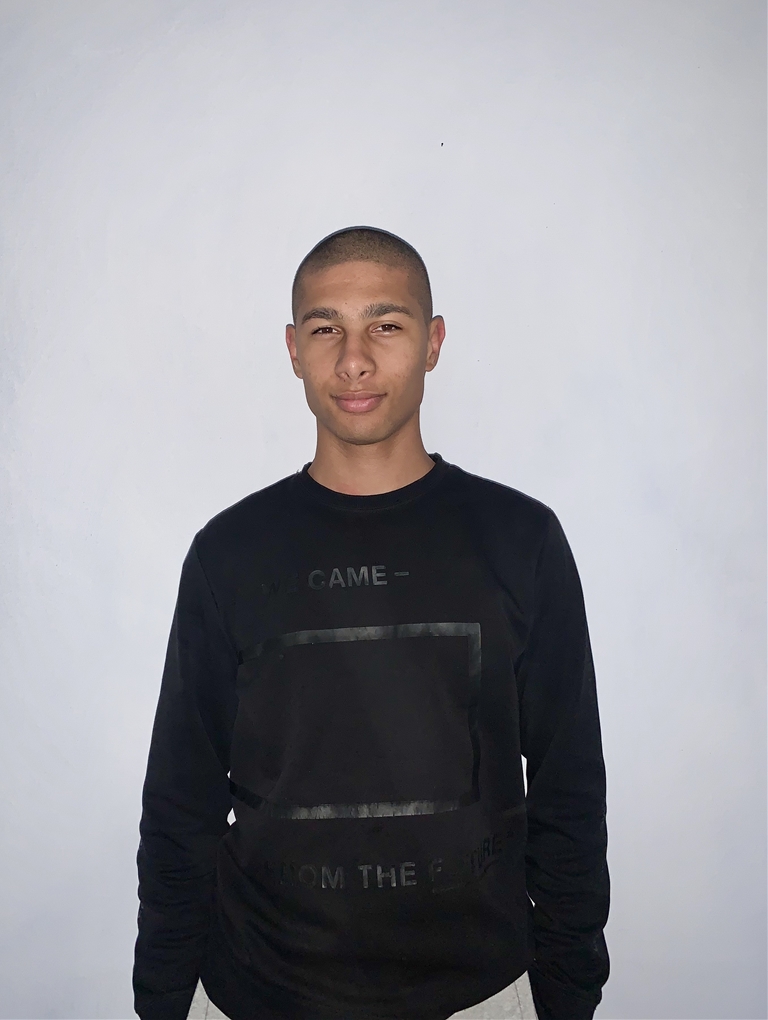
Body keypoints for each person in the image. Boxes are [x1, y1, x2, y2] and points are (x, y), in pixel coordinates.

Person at [132, 226, 610, 1020]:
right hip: (259, 990)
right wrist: (161, 999)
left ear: (433, 342)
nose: (354, 360)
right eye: (326, 329)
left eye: (385, 325)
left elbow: (569, 788)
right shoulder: (229, 553)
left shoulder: (520, 541)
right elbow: (181, 803)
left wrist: (567, 993)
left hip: (482, 992)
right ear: (294, 349)